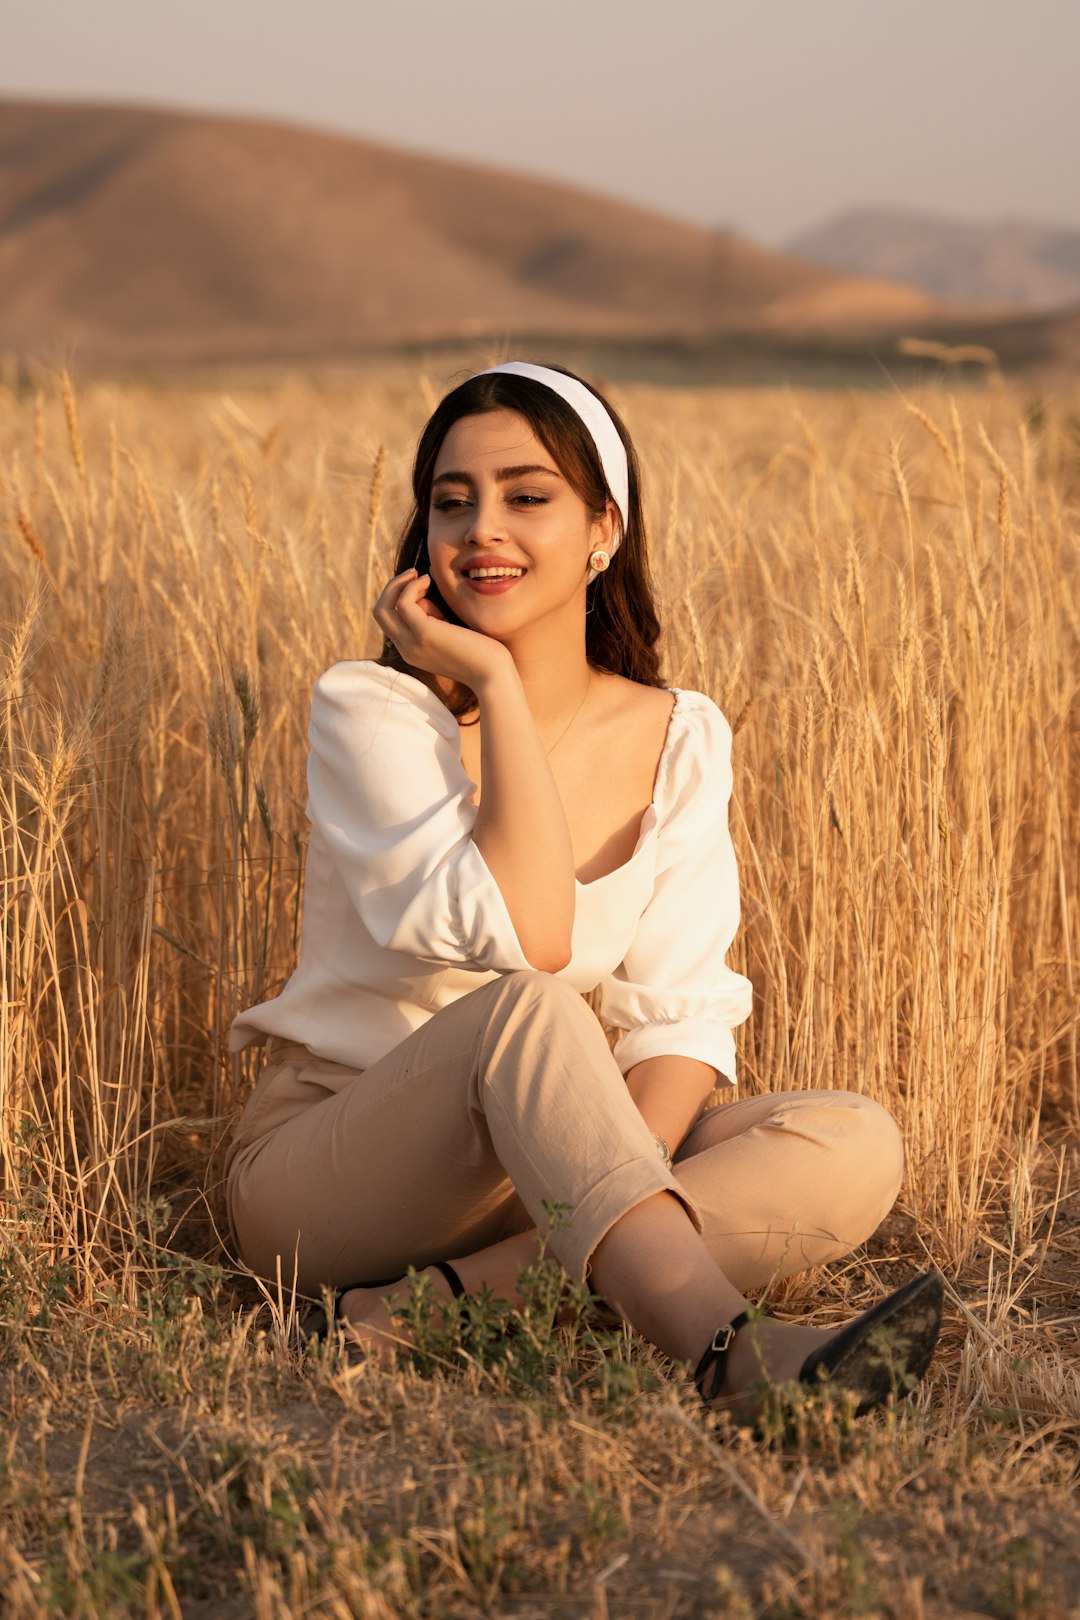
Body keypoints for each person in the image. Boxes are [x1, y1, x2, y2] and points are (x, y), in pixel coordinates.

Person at [225, 362, 943, 1421]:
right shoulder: (371, 715)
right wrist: (501, 685)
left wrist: (612, 1177)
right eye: (451, 501)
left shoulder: (679, 735)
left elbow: (681, 1016)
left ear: (604, 528)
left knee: (849, 1142)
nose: (482, 529)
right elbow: (533, 941)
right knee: (530, 1009)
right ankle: (728, 1356)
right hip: (335, 1165)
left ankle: (436, 1307)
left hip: (551, 1151)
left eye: (527, 495)